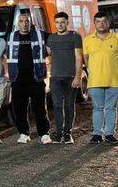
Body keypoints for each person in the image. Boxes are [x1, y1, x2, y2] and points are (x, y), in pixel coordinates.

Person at [83, 12, 118, 145]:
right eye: (98, 21)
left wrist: (115, 69)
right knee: (97, 108)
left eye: (104, 21)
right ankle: (97, 134)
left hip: (114, 81)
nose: (101, 24)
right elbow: (86, 58)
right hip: (95, 81)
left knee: (111, 108)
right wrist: (93, 70)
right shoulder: (87, 40)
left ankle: (109, 134)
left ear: (109, 23)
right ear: (94, 23)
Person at [7, 13, 52, 144]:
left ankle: (44, 134)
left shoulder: (40, 35)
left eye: (27, 21)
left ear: (31, 22)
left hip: (36, 78)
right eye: (21, 21)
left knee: (40, 108)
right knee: (20, 109)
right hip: (18, 79)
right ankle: (23, 133)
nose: (24, 24)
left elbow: (57, 38)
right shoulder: (11, 37)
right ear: (18, 23)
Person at [46, 12, 83, 144]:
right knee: (56, 106)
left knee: (69, 105)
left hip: (70, 77)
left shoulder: (75, 37)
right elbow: (50, 55)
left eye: (62, 22)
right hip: (55, 77)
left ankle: (68, 134)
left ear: (67, 23)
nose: (60, 25)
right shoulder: (51, 38)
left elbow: (79, 58)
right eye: (57, 22)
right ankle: (59, 133)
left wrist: (77, 77)